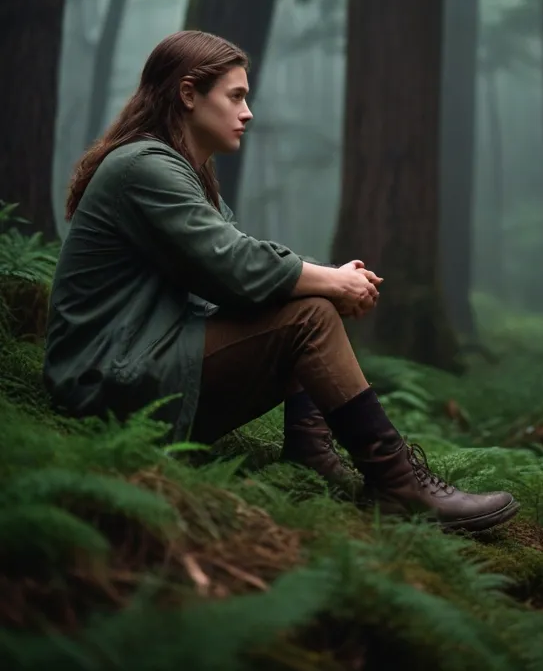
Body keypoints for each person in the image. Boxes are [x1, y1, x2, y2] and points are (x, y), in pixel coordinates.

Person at [44, 30, 519, 533]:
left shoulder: (179, 171)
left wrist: (329, 279)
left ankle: (311, 451)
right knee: (311, 308)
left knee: (309, 294)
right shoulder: (145, 168)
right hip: (103, 381)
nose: (247, 112)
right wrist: (330, 282)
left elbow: (237, 269)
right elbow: (232, 266)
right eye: (236, 96)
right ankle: (399, 485)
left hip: (138, 365)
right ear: (188, 94)